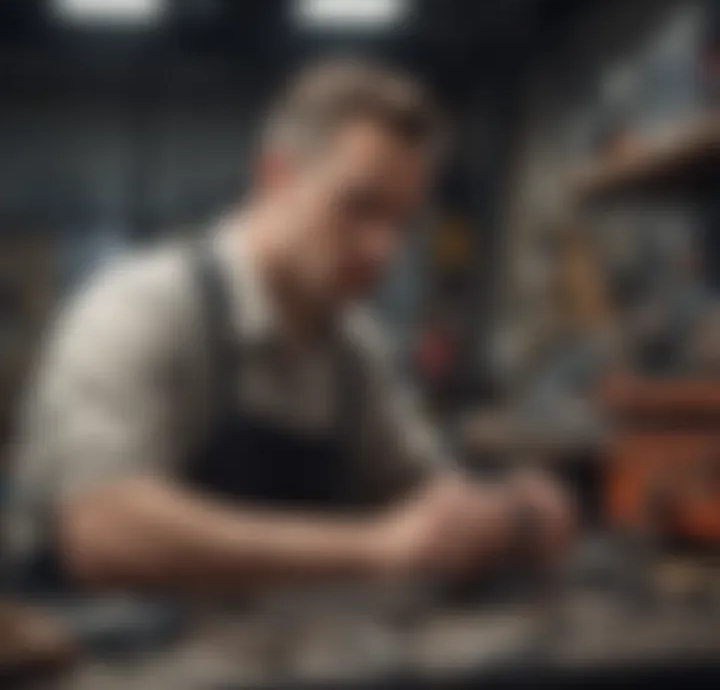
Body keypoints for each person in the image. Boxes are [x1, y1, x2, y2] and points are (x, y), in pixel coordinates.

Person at [4, 59, 572, 595]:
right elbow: (104, 532)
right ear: (276, 176)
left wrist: (506, 512)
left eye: (402, 222)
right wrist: (375, 547)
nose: (384, 250)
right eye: (359, 206)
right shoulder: (139, 309)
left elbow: (424, 493)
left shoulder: (354, 353)